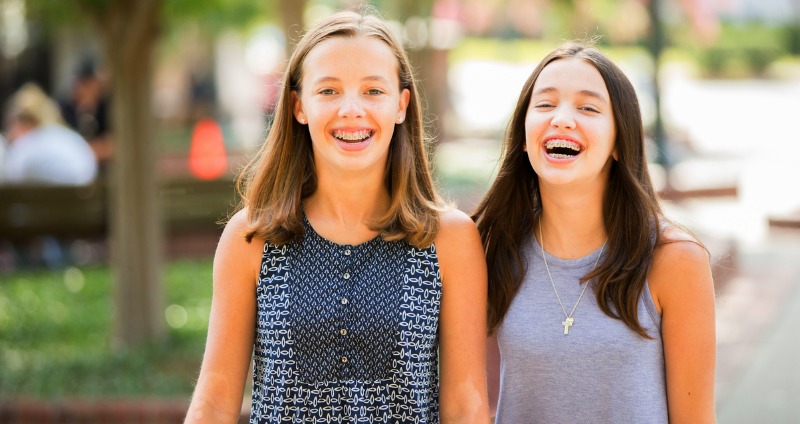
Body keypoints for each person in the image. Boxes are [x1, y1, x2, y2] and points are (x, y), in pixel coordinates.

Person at [185, 9, 489, 423]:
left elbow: (466, 404)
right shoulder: (252, 237)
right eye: (328, 91)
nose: (351, 109)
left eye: (373, 91)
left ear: (401, 105)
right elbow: (215, 401)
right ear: (298, 106)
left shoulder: (450, 239)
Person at [472, 42, 716, 423]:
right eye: (546, 104)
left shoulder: (675, 259)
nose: (562, 119)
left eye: (588, 108)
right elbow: (478, 406)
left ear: (620, 141)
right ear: (523, 135)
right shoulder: (491, 248)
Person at [3, 83, 97, 186]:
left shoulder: (27, 146)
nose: (10, 132)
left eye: (13, 124)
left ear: (28, 122)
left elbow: (9, 179)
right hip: (84, 199)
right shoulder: (70, 137)